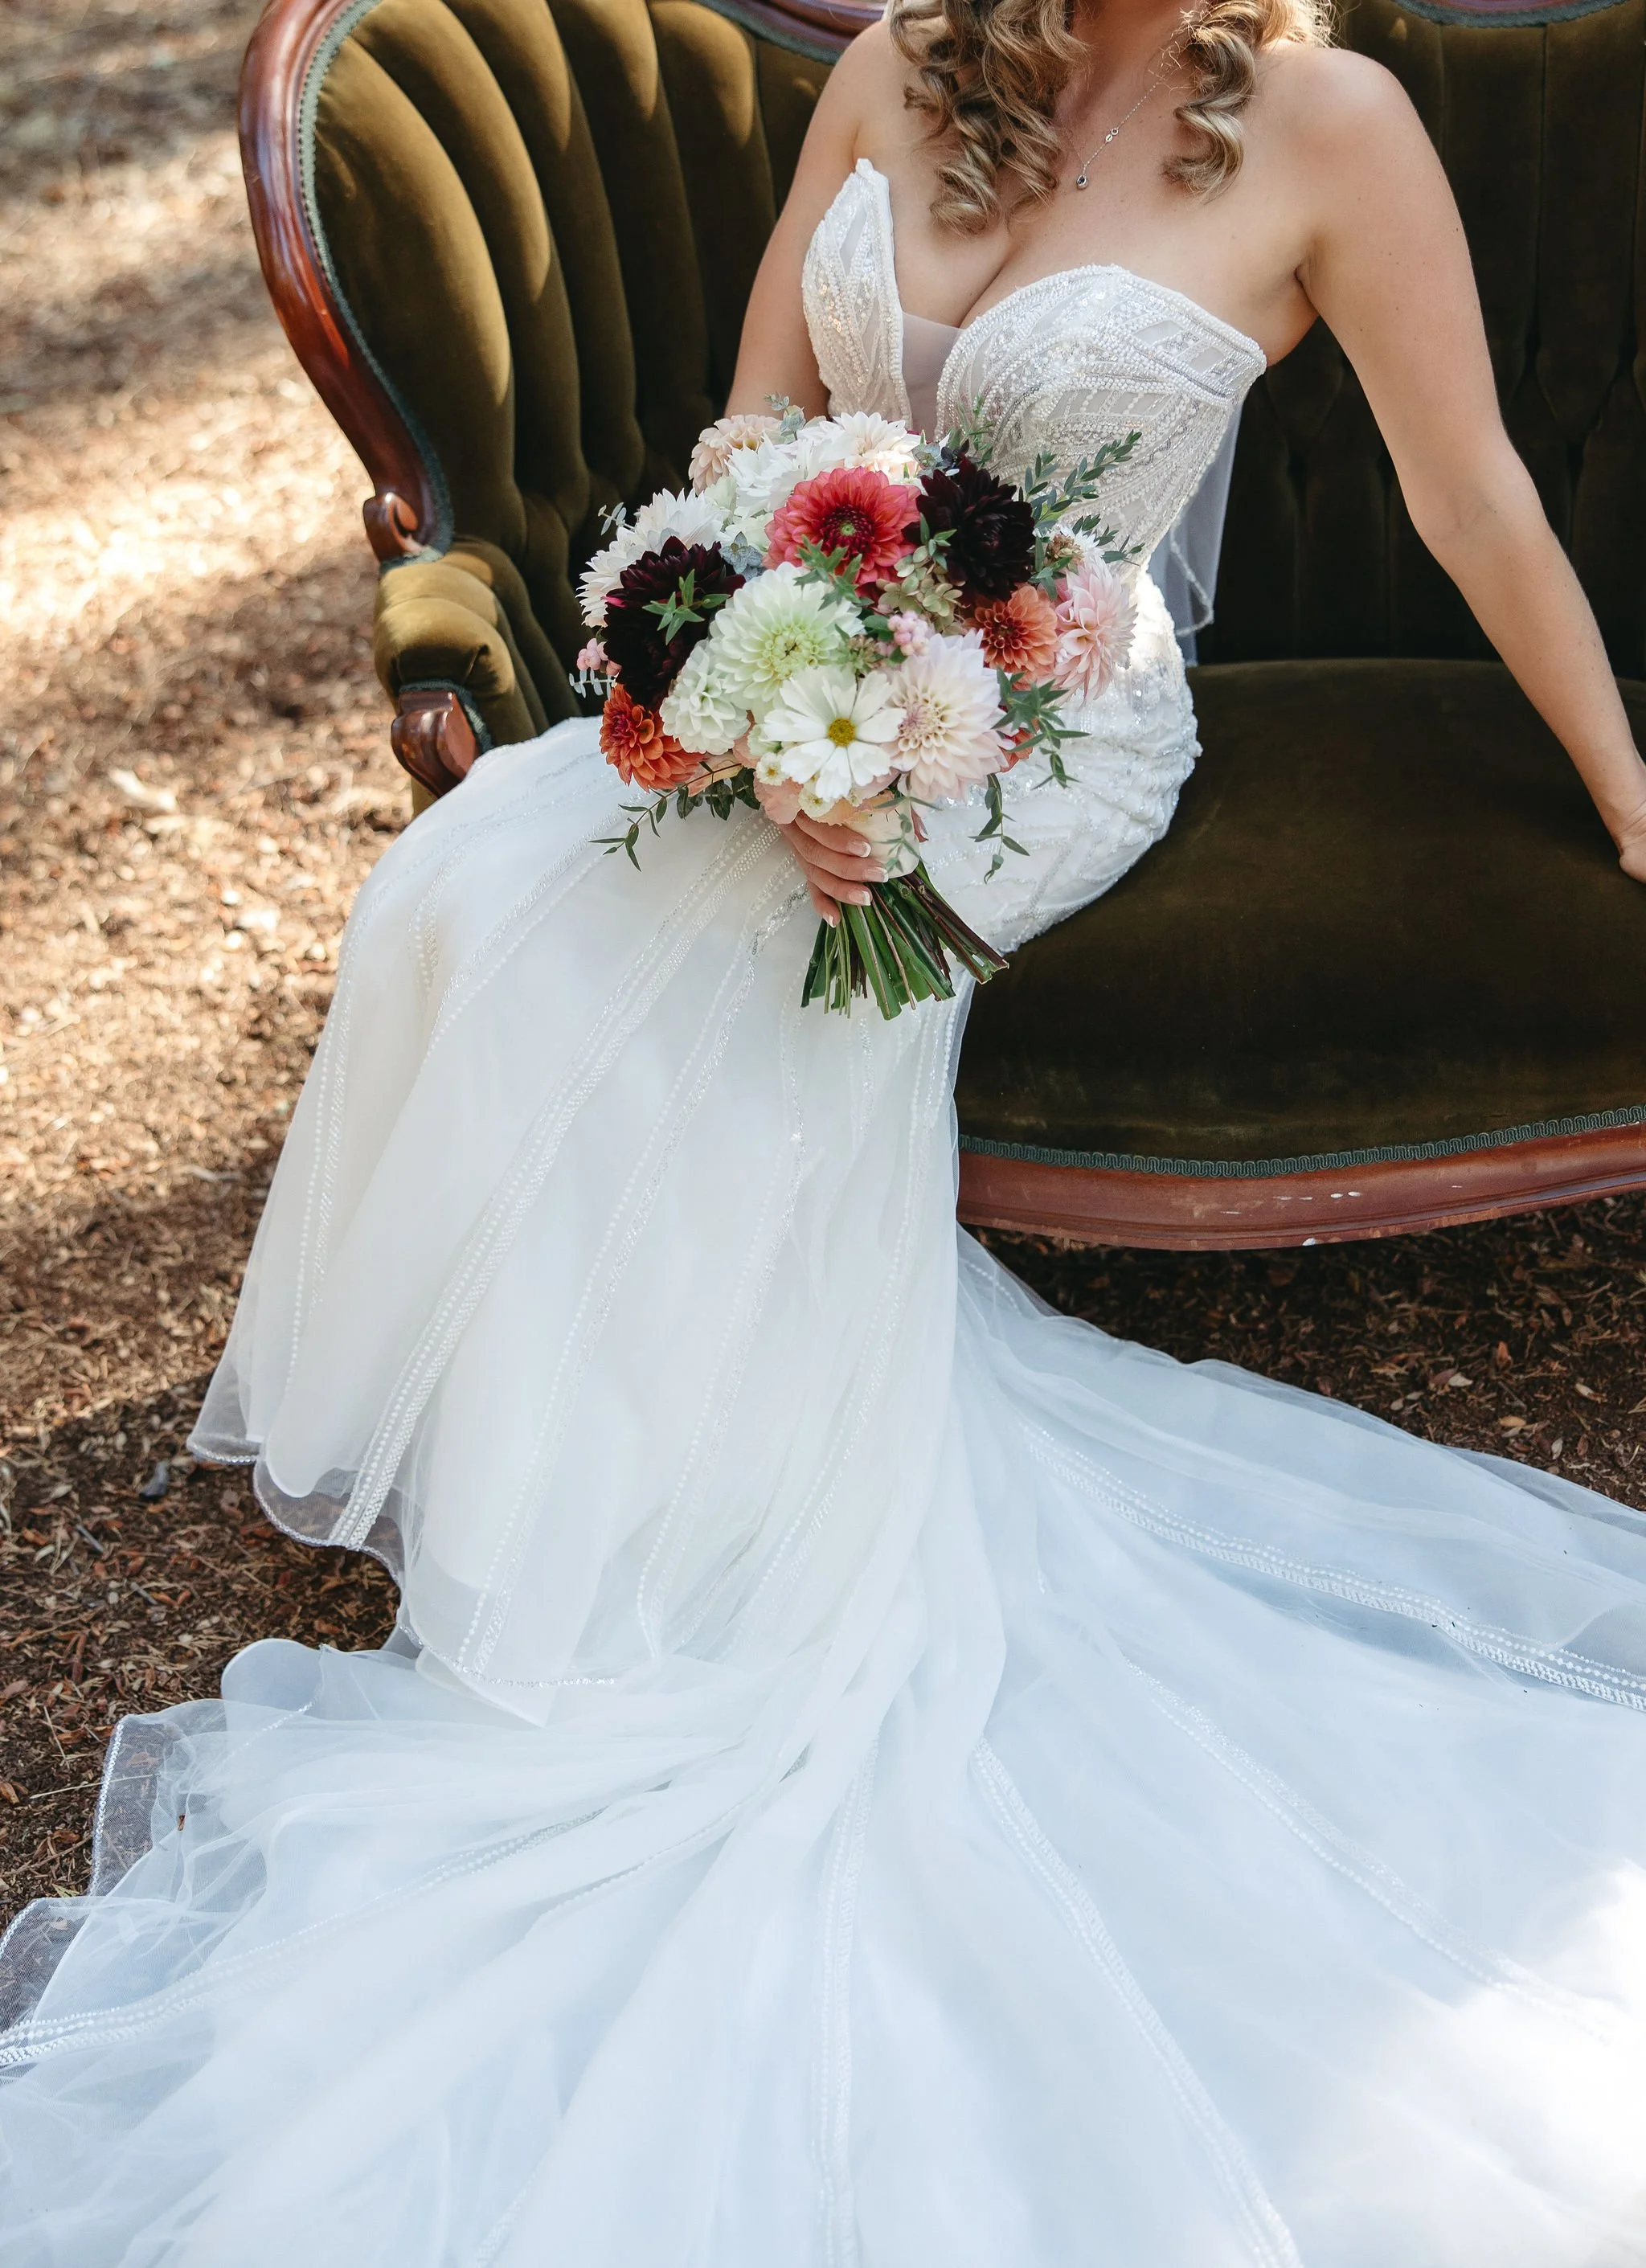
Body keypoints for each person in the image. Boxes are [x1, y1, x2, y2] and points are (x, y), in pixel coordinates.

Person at [3, 1, 1646, 2258]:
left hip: (1051, 741)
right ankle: (566, 1462)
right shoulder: (901, 65)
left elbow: (1472, 494)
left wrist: (1630, 789)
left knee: (752, 997)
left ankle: (700, 1556)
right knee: (473, 894)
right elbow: (763, 426)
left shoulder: (1332, 126)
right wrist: (756, 703)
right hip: (797, 671)